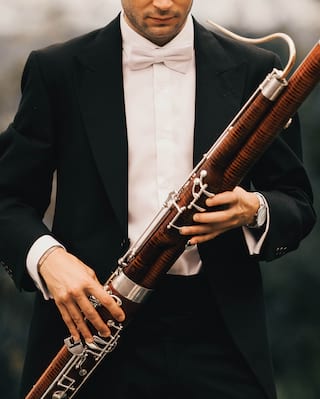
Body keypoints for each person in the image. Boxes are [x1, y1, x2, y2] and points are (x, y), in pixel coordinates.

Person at [0, 1, 316, 398]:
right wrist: (49, 259)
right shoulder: (59, 70)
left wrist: (254, 209)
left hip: (218, 331)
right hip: (94, 325)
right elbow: (7, 198)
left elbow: (297, 203)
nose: (165, 3)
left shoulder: (255, 69)